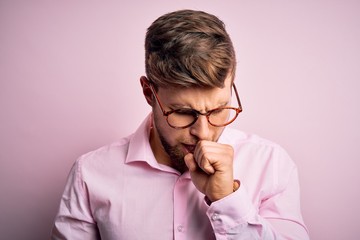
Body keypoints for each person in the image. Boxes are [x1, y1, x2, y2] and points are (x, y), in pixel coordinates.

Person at [51, 9, 309, 240]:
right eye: (184, 113)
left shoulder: (270, 164)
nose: (204, 133)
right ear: (149, 93)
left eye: (219, 109)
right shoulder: (90, 174)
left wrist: (227, 199)